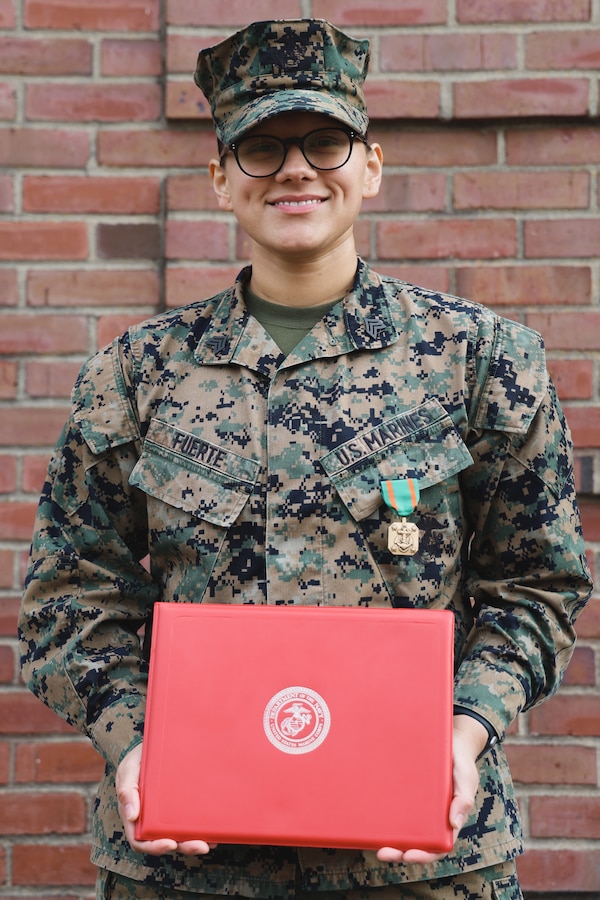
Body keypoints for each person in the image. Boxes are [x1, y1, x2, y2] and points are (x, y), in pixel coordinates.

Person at [19, 17, 592, 900]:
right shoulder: (136, 374)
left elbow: (536, 586)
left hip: (422, 861)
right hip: (187, 865)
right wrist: (137, 743)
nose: (295, 169)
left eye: (325, 141)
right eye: (261, 146)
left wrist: (464, 732)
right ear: (220, 177)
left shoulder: (481, 361)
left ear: (370, 164)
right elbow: (71, 596)